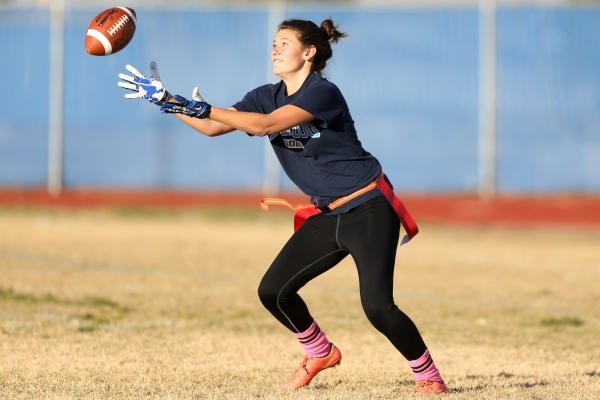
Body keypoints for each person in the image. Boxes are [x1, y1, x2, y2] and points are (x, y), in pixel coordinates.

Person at [118, 17, 449, 395]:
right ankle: (320, 352)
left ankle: (428, 376)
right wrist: (168, 101)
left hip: (368, 208)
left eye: (284, 43)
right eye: (274, 42)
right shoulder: (265, 94)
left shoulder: (323, 93)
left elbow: (264, 125)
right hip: (326, 214)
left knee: (377, 307)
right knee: (273, 291)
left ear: (309, 53)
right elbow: (213, 127)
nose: (274, 48)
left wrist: (203, 107)